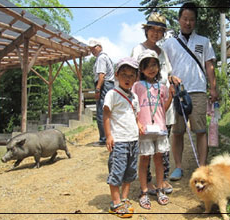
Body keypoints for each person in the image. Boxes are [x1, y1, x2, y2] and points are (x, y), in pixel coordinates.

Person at [161, 2, 218, 181]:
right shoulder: (169, 43)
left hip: (199, 91)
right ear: (179, 20)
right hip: (177, 93)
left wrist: (213, 88)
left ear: (195, 22)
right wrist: (170, 80)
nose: (188, 22)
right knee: (177, 132)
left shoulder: (204, 41)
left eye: (191, 19)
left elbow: (209, 65)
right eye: (185, 19)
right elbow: (164, 69)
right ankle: (178, 167)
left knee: (201, 131)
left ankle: (201, 167)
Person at [130, 12, 174, 195]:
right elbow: (131, 76)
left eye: (160, 31)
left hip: (162, 105)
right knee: (146, 150)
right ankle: (147, 182)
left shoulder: (162, 53)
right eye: (152, 29)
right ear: (146, 30)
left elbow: (168, 75)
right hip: (145, 107)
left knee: (162, 147)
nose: (156, 34)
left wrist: (173, 79)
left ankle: (162, 180)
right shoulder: (138, 50)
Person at [103, 57, 141, 218]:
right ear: (117, 75)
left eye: (131, 75)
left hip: (133, 140)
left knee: (130, 171)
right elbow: (106, 114)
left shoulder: (134, 97)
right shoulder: (112, 94)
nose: (127, 78)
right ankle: (115, 203)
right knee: (117, 171)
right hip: (119, 141)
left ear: (136, 78)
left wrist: (139, 125)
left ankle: (124, 198)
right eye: (124, 74)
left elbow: (136, 115)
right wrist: (109, 135)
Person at [89, 40, 115, 146]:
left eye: (93, 48)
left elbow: (101, 75)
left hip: (104, 85)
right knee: (108, 110)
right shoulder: (106, 57)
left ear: (99, 47)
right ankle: (109, 136)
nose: (92, 51)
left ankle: (104, 138)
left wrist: (98, 89)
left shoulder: (101, 58)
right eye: (90, 49)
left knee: (101, 111)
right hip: (109, 85)